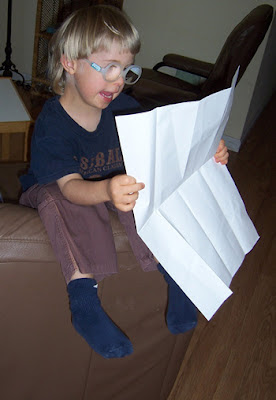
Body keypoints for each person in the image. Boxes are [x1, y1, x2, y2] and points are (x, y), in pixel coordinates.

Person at [19, 5, 229, 359]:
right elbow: (70, 186)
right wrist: (105, 190)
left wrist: (207, 151)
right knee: (61, 199)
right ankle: (83, 300)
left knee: (145, 186)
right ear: (69, 63)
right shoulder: (52, 124)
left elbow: (165, 153)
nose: (118, 81)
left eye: (126, 70)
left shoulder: (126, 109)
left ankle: (176, 275)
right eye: (108, 68)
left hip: (108, 189)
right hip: (59, 188)